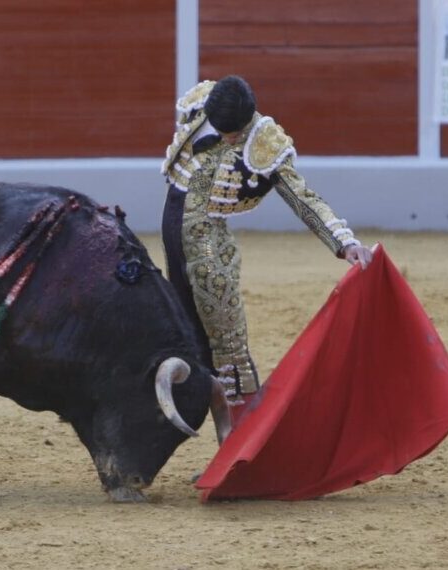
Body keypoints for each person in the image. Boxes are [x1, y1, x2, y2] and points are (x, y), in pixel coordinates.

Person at [160, 75, 373, 424]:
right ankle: (198, 414)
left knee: (229, 347)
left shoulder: (264, 142)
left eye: (236, 133)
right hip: (173, 235)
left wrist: (344, 242)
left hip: (209, 252)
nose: (231, 139)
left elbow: (302, 197)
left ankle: (247, 446)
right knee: (183, 330)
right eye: (226, 131)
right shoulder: (200, 106)